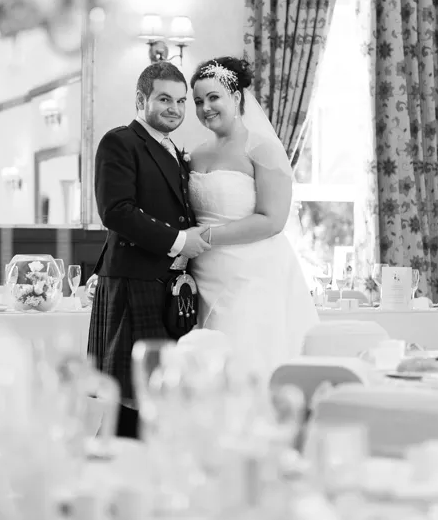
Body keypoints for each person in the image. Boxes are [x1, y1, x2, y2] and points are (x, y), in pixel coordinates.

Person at [88, 61, 210, 438]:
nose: (174, 108)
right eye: (164, 99)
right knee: (130, 400)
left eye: (180, 100)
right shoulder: (120, 141)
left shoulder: (171, 149)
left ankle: (135, 480)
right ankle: (104, 477)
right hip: (132, 282)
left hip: (166, 288)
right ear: (141, 99)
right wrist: (179, 241)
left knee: (155, 400)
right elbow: (116, 211)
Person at [187, 56, 319, 379]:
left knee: (243, 364)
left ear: (236, 97)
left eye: (213, 97)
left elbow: (272, 220)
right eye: (199, 101)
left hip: (251, 276)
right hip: (203, 274)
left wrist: (206, 237)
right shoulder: (196, 153)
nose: (206, 107)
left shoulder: (263, 149)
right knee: (207, 369)